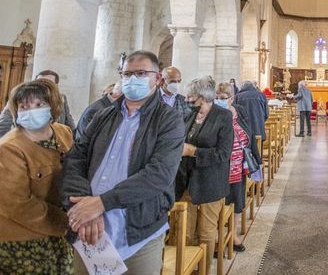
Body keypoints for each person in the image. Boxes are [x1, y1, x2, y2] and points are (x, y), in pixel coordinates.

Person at [62, 51, 185, 275]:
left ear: (157, 79)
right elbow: (75, 159)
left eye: (141, 73)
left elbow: (159, 174)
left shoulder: (169, 119)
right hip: (91, 228)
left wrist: (101, 203)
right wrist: (84, 206)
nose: (132, 79)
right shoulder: (103, 116)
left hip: (138, 230)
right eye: (127, 74)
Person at [0, 79, 74, 273]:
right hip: (23, 238)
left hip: (58, 234)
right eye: (24, 106)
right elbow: (16, 204)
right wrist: (66, 221)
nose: (31, 110)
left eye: (39, 105)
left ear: (52, 107)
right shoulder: (9, 147)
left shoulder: (63, 133)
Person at [175, 77, 233, 273]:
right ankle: (185, 267)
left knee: (207, 232)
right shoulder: (187, 115)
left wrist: (193, 151)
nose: (188, 101)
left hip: (210, 182)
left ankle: (204, 270)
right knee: (183, 232)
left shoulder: (223, 116)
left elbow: (224, 153)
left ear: (204, 97)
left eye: (191, 98)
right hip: (185, 182)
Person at [216, 82, 261, 251]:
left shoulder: (240, 111)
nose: (219, 100)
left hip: (238, 166)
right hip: (219, 167)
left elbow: (248, 130)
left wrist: (255, 159)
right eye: (217, 97)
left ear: (232, 98)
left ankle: (233, 235)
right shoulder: (212, 114)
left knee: (236, 200)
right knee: (218, 202)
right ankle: (217, 237)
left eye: (223, 98)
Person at [0, 69, 76, 137]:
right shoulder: (20, 98)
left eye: (48, 84)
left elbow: (69, 123)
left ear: (56, 86)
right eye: (39, 83)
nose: (42, 87)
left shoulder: (61, 98)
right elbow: (4, 124)